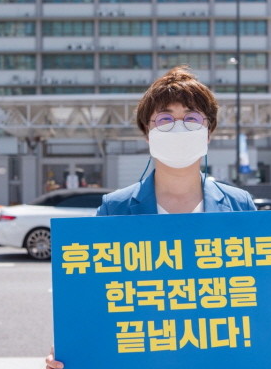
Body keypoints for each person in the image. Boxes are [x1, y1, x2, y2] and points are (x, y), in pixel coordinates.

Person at [45, 65, 256, 369]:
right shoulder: (115, 208)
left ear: (208, 133)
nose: (179, 127)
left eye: (192, 118)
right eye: (165, 119)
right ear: (147, 133)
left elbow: (260, 299)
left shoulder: (239, 204)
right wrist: (73, 352)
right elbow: (94, 299)